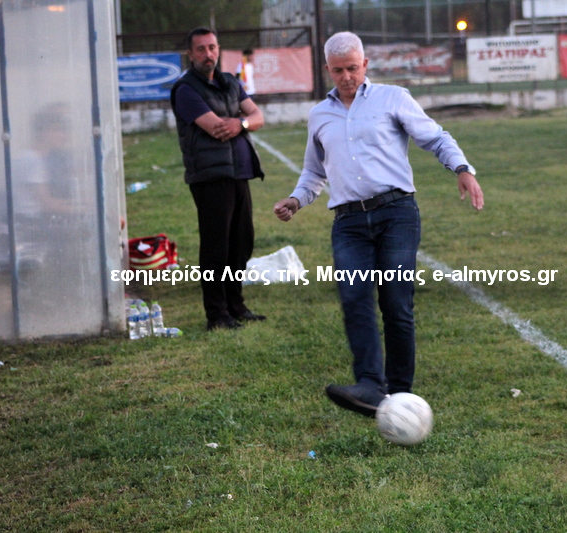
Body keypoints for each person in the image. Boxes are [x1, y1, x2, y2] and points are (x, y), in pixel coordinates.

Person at [273, 32, 484, 417]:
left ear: (365, 64)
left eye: (353, 68)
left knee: (395, 302)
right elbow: (314, 172)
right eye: (338, 70)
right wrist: (296, 199)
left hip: (396, 214)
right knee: (354, 299)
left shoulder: (393, 98)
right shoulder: (319, 115)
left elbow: (436, 138)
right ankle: (370, 386)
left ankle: (400, 394)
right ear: (327, 69)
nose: (347, 77)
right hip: (348, 223)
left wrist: (462, 169)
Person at [171, 27, 266, 331]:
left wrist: (241, 123)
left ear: (218, 49)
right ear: (190, 54)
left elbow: (258, 117)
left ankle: (236, 305)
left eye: (212, 47)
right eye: (200, 49)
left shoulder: (230, 83)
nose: (208, 54)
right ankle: (217, 314)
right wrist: (241, 122)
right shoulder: (186, 90)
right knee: (217, 247)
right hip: (210, 176)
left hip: (239, 172)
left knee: (241, 243)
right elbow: (217, 129)